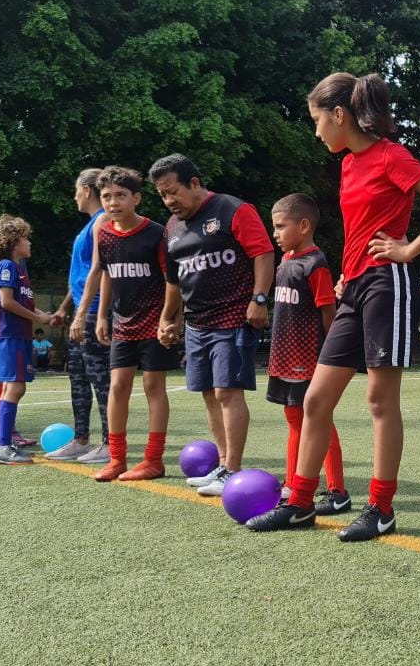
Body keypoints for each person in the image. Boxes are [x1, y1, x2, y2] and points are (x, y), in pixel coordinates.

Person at [246, 72, 420, 539]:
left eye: (317, 120)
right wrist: (349, 267)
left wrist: (408, 250)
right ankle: (301, 503)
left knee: (379, 401)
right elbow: (363, 226)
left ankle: (381, 509)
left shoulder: (392, 155)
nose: (316, 130)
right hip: (356, 286)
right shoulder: (348, 164)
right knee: (316, 398)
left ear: (339, 115)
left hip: (389, 284)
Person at [152, 154, 275, 496]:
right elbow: (174, 281)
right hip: (196, 324)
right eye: (162, 195)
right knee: (208, 394)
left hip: (234, 316)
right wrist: (168, 318)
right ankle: (222, 465)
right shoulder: (172, 229)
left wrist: (260, 299)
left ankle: (232, 468)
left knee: (226, 392)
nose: (169, 200)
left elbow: (263, 253)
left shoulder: (232, 210)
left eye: (172, 191)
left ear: (194, 183)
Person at [265, 192, 349, 513]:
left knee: (318, 420)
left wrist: (330, 353)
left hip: (308, 358)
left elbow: (328, 313)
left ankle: (338, 491)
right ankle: (292, 484)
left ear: (303, 226)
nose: (275, 233)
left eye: (280, 226)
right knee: (293, 418)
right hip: (283, 357)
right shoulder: (286, 261)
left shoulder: (316, 265)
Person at [92, 166, 174, 482]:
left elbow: (171, 280)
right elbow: (107, 275)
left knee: (154, 386)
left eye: (120, 195)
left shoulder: (157, 233)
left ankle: (153, 460)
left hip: (154, 322)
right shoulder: (105, 233)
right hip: (122, 324)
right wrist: (102, 315)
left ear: (136, 198)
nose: (113, 202)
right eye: (107, 196)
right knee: (118, 386)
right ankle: (117, 459)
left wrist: (168, 319)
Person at [52, 168, 112, 464]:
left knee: (100, 377)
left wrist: (87, 313)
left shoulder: (101, 220)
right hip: (81, 309)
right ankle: (81, 439)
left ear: (87, 190)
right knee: (78, 376)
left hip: (95, 310)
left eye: (76, 190)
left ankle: (110, 442)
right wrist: (66, 307)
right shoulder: (89, 225)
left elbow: (100, 271)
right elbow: (81, 274)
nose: (74, 197)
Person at [0, 216, 54, 465]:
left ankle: (4, 442)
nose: (29, 242)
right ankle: (2, 445)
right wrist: (38, 317)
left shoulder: (19, 270)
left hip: (17, 335)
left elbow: (21, 303)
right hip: (8, 335)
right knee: (14, 388)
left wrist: (43, 316)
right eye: (25, 238)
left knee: (14, 388)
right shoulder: (6, 266)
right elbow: (7, 302)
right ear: (13, 242)